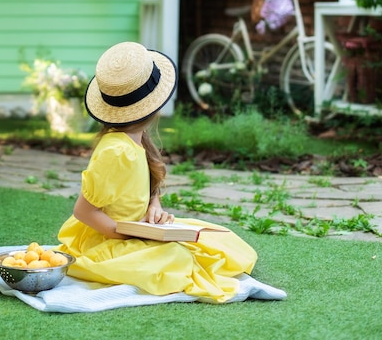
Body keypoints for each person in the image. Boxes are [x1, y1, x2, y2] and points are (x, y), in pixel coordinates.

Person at [56, 41, 258, 303]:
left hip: (139, 227)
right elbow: (84, 212)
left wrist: (154, 204)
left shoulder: (137, 141)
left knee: (222, 242)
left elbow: (145, 186)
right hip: (110, 236)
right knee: (175, 259)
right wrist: (130, 233)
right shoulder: (115, 152)